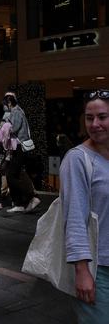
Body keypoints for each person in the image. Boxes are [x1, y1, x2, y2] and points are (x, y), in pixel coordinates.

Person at [61, 90, 109, 323]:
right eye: (90, 118)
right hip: (98, 269)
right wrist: (82, 271)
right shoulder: (78, 159)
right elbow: (75, 218)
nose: (96, 124)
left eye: (103, 117)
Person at [2, 92, 41, 213]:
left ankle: (31, 198)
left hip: (19, 147)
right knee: (15, 174)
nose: (5, 107)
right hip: (17, 147)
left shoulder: (16, 112)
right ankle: (19, 203)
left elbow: (14, 128)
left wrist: (3, 129)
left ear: (9, 102)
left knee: (11, 175)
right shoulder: (18, 111)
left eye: (6, 104)